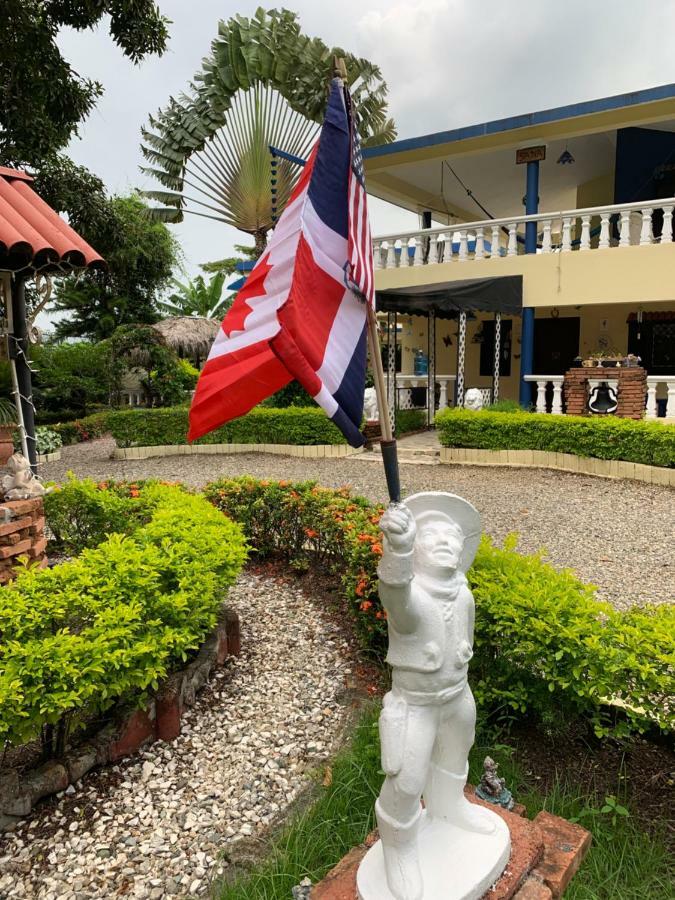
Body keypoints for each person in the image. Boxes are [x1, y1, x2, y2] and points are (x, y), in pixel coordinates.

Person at [374, 491, 495, 900]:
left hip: (457, 695)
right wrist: (399, 551)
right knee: (406, 779)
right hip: (416, 703)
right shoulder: (411, 597)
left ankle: (448, 805)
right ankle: (399, 845)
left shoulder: (462, 592)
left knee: (456, 753)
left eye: (454, 538)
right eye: (433, 536)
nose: (446, 542)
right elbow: (396, 598)